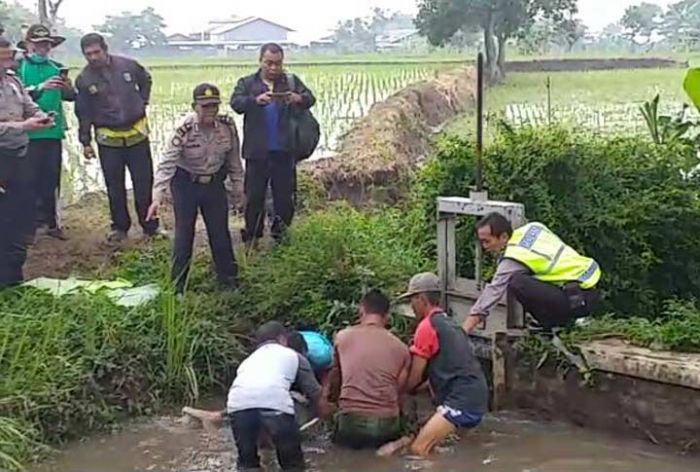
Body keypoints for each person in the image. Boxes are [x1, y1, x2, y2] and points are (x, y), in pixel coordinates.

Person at [146, 83, 244, 293]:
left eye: (214, 106)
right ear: (194, 106)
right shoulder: (184, 129)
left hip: (214, 184)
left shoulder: (227, 126)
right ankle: (177, 287)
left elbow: (234, 159)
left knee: (220, 234)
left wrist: (238, 186)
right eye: (205, 106)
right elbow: (167, 163)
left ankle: (229, 283)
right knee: (184, 235)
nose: (210, 111)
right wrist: (157, 197)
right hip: (185, 184)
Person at [74, 33, 160, 243]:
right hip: (108, 140)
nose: (93, 57)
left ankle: (150, 227)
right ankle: (120, 227)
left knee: (144, 183)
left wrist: (142, 101)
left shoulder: (128, 66)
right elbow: (83, 112)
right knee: (114, 185)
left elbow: (146, 79)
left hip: (136, 135)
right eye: (88, 54)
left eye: (96, 52)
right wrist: (85, 142)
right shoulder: (84, 79)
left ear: (105, 49)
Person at [393, 273, 489, 457]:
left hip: (461, 398)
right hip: (477, 395)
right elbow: (447, 369)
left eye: (412, 299)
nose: (411, 306)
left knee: (419, 449)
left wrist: (399, 391)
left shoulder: (426, 327)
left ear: (421, 299)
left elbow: (415, 374)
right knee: (461, 451)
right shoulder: (450, 324)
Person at [231, 42, 316, 246]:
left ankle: (281, 236)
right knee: (254, 197)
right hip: (257, 152)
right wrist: (255, 100)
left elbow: (310, 99)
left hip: (285, 151)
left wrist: (297, 98)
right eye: (269, 63)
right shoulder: (247, 83)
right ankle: (252, 236)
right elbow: (236, 103)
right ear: (260, 61)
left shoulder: (291, 81)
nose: (273, 68)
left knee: (285, 197)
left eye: (277, 63)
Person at [462, 213, 602, 334]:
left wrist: (465, 328)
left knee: (517, 282)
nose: (485, 247)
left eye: (487, 241)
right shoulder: (533, 228)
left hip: (575, 301)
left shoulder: (514, 257)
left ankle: (554, 324)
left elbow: (493, 292)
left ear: (504, 237)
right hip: (588, 287)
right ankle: (567, 320)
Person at [227, 321, 322, 472]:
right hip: (276, 405)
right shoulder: (293, 355)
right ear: (283, 339)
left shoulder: (248, 360)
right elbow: (315, 392)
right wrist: (325, 413)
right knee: (293, 466)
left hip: (237, 406)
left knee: (247, 465)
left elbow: (248, 394)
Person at [325, 289, 411, 450]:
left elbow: (335, 380)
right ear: (387, 316)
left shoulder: (342, 337)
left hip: (350, 421)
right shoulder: (402, 349)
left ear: (361, 310)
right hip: (386, 424)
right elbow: (399, 391)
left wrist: (332, 405)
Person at [0, 36, 55, 288]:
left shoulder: (13, 80)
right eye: (7, 53)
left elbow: (29, 106)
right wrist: (24, 126)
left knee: (21, 218)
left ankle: (13, 278)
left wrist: (41, 117)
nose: (12, 56)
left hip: (19, 157)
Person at [17, 24, 75, 240]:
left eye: (46, 44)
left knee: (51, 179)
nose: (43, 48)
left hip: (52, 131)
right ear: (29, 45)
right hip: (27, 133)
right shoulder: (17, 68)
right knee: (27, 180)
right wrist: (42, 87)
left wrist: (66, 85)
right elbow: (18, 99)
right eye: (38, 44)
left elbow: (71, 96)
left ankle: (51, 223)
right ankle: (30, 225)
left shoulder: (56, 67)